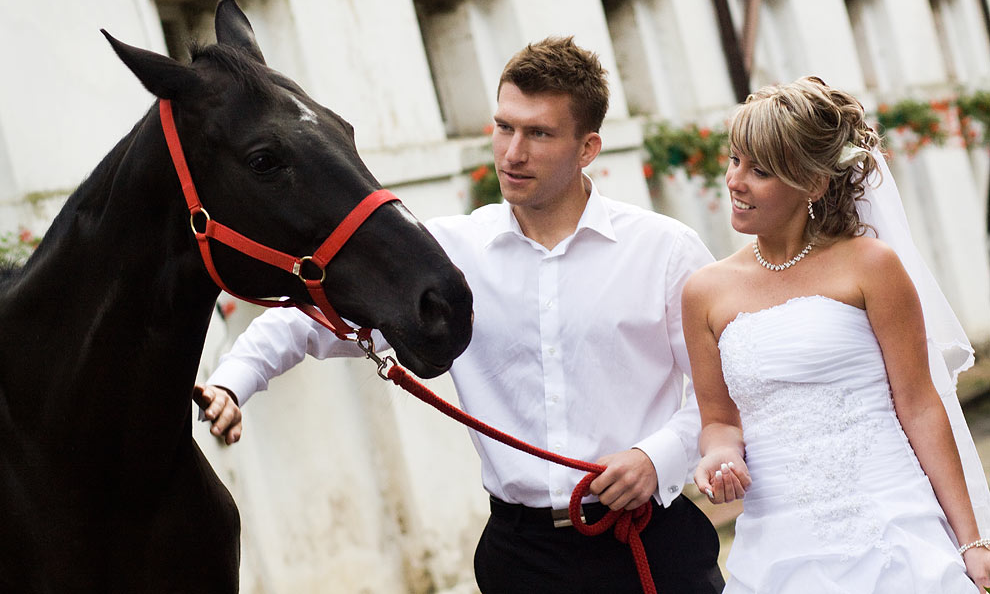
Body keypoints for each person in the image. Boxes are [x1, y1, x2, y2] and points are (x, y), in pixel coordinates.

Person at [195, 36, 725, 592]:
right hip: (521, 559)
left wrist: (655, 457)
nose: (512, 152)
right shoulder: (446, 256)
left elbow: (723, 395)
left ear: (588, 148)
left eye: (538, 133)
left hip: (646, 543)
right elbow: (305, 320)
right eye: (503, 126)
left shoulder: (665, 251)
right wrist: (233, 383)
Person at [682, 75, 990, 592]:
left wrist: (971, 542)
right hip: (779, 541)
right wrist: (719, 456)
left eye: (760, 170)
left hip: (891, 523)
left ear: (814, 184)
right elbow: (718, 421)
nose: (735, 181)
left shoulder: (871, 266)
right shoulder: (704, 292)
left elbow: (919, 405)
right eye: (735, 160)